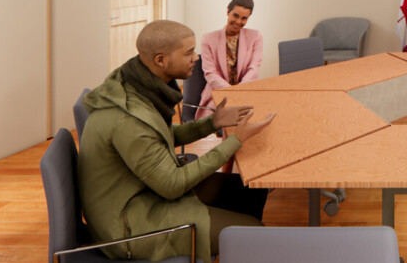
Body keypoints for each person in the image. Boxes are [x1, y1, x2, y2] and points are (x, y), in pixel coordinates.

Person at [79, 19, 277, 262]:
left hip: (143, 194)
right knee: (255, 234)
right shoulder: (129, 120)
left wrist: (212, 122)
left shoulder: (132, 83)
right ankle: (240, 243)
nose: (196, 57)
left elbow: (159, 135)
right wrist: (235, 140)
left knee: (247, 192)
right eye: (188, 53)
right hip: (129, 227)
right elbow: (172, 185)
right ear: (161, 60)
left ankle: (233, 247)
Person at [196, 0, 263, 116]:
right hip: (218, 94)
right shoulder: (208, 39)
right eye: (235, 15)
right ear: (228, 11)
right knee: (221, 121)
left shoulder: (255, 37)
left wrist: (239, 91)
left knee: (259, 118)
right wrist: (231, 93)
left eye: (244, 18)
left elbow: (253, 68)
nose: (238, 22)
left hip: (245, 92)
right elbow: (210, 73)